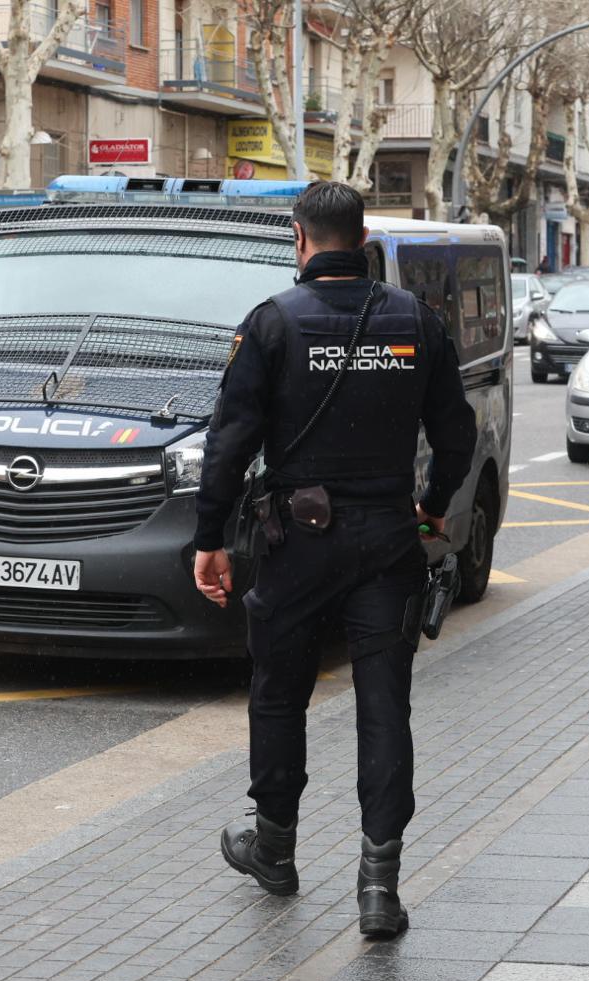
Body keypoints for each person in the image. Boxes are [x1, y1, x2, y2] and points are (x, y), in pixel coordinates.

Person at [192, 182, 477, 938]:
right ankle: (379, 887)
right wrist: (435, 499)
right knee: (385, 709)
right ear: (362, 238)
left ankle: (275, 848)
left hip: (296, 545)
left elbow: (229, 443)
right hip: (388, 543)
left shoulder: (274, 325)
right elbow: (457, 433)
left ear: (301, 239)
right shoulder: (416, 321)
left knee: (280, 693)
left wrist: (208, 538)